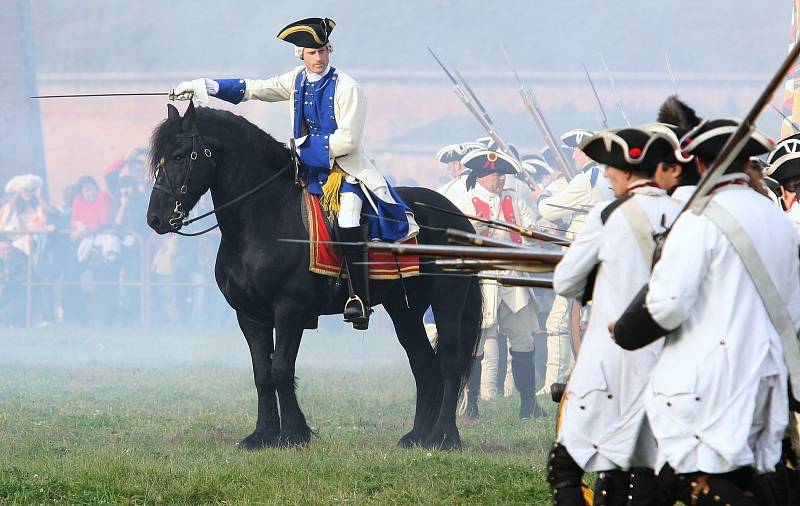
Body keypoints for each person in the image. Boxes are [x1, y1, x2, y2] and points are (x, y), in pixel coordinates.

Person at [169, 17, 418, 330]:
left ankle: (358, 297)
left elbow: (349, 141)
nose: (319, 58)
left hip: (344, 172)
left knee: (348, 217)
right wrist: (203, 86)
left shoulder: (348, 88)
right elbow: (254, 89)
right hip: (306, 173)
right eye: (313, 53)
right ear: (301, 54)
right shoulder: (296, 80)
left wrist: (302, 148)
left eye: (324, 51)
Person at [611, 119, 788, 504]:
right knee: (748, 473)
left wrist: (624, 330)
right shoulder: (776, 216)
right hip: (768, 371)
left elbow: (667, 305)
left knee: (691, 477)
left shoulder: (698, 219)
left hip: (710, 375)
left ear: (702, 165)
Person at [547, 127, 681, 504]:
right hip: (670, 364)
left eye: (612, 168)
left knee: (565, 470)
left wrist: (598, 278)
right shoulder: (685, 215)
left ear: (627, 172)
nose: (606, 174)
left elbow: (566, 281)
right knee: (645, 472)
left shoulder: (608, 215)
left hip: (610, 364)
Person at [449, 148, 545, 420]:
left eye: (502, 174)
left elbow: (531, 228)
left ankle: (528, 405)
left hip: (512, 280)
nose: (501, 178)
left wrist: (529, 235)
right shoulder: (466, 201)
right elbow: (463, 238)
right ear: (481, 176)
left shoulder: (514, 200)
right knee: (475, 345)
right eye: (495, 174)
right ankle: (472, 405)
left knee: (523, 341)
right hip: (482, 281)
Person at [536, 129, 613, 397]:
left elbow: (547, 210)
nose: (572, 155)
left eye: (576, 150)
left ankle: (552, 383)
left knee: (557, 323)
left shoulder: (587, 179)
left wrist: (541, 196)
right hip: (604, 256)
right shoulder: (606, 175)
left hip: (583, 259)